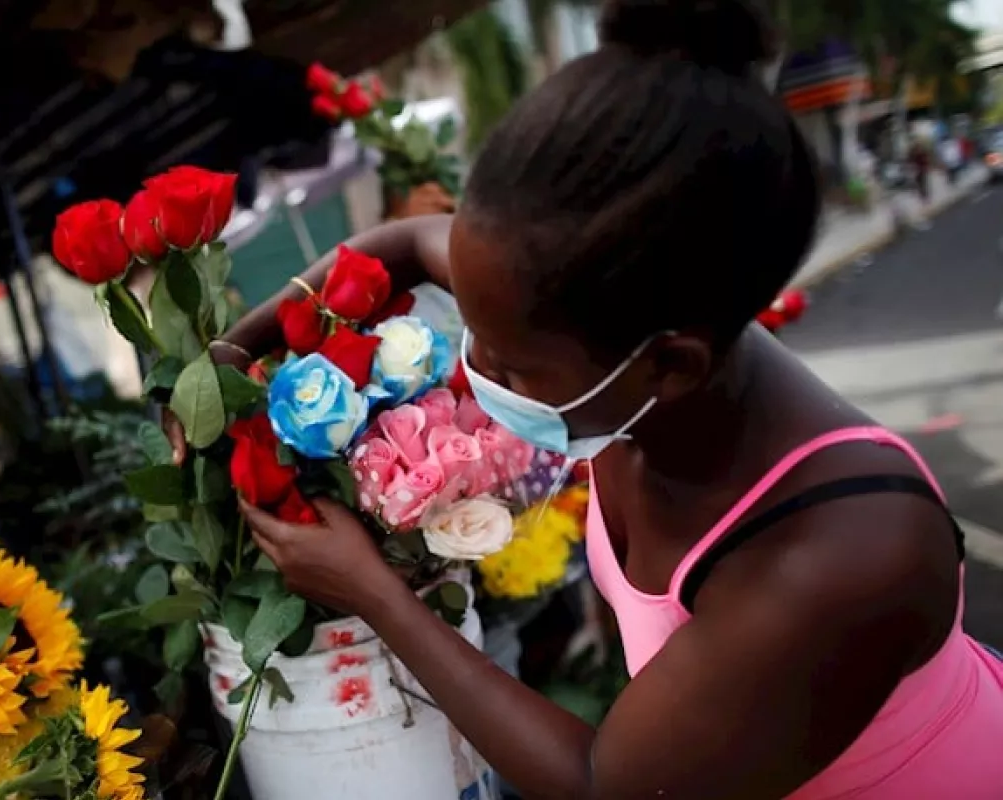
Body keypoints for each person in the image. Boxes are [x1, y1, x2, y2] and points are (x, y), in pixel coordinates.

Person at [176, 1, 1003, 796]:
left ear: (670, 365)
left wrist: (374, 594)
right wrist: (235, 350)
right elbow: (398, 246)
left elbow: (601, 783)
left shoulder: (837, 558)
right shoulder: (617, 339)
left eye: (515, 366)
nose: (478, 368)